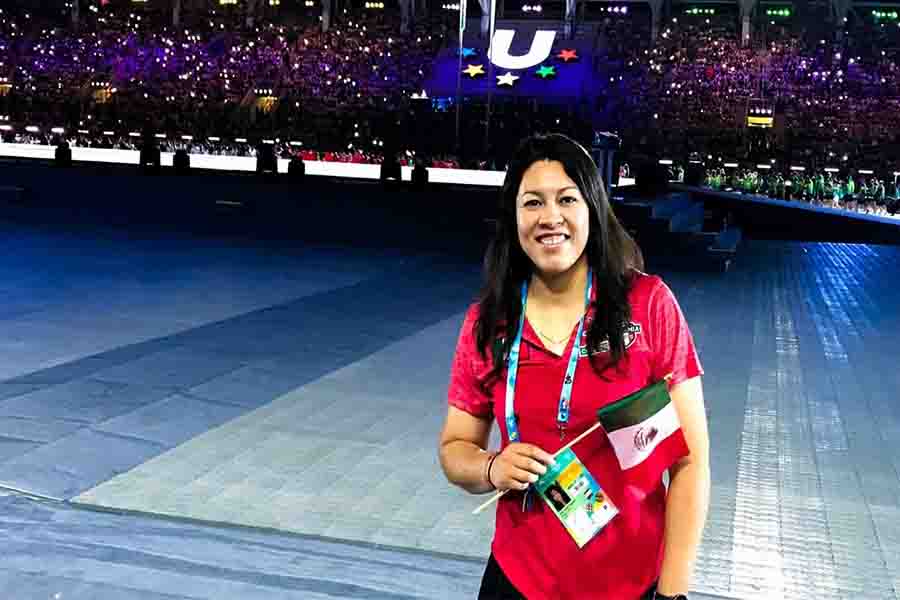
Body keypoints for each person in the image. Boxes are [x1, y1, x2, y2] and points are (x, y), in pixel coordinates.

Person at [438, 133, 710, 600]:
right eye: (532, 203)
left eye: (567, 198)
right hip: (519, 579)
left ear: (593, 210)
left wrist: (673, 592)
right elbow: (454, 448)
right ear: (513, 217)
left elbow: (690, 463)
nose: (550, 218)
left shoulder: (647, 307)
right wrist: (490, 467)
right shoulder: (489, 324)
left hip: (631, 582)